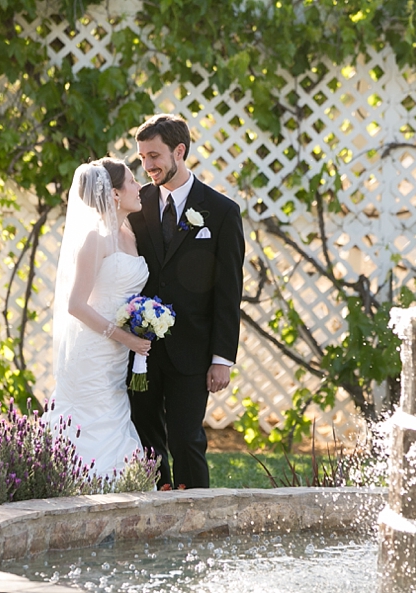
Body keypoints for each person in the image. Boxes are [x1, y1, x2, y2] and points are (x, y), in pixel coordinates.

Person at [128, 113, 245, 489]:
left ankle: (199, 523)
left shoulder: (221, 211)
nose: (148, 166)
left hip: (193, 351)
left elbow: (229, 291)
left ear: (179, 151)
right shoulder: (135, 204)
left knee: (187, 439)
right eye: (142, 157)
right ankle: (155, 517)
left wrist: (222, 359)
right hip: (141, 351)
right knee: (147, 442)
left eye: (155, 156)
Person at [48, 157, 152, 479]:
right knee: (88, 427)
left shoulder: (130, 235)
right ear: (116, 194)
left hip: (116, 357)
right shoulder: (95, 239)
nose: (139, 187)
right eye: (132, 181)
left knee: (115, 420)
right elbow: (76, 305)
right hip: (93, 351)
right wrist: (126, 338)